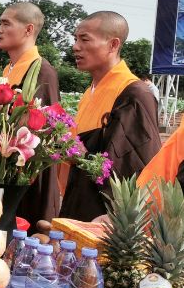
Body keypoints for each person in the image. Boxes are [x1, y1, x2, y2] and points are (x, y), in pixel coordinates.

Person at [60, 11, 161, 221]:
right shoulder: (90, 91)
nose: (76, 47)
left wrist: (79, 154)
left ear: (113, 44)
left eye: (85, 39)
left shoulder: (134, 94)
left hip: (104, 215)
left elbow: (130, 168)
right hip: (78, 197)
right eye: (76, 39)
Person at [0, 2, 61, 231]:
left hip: (27, 174)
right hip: (3, 169)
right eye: (0, 23)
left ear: (29, 29)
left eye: (6, 24)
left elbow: (43, 132)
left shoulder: (42, 70)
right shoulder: (8, 69)